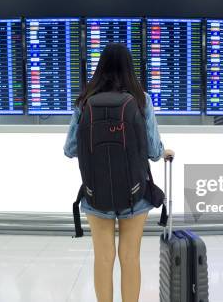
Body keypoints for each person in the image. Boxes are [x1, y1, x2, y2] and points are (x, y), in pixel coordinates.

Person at [64, 43, 164, 302]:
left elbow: (70, 149)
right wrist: (165, 151)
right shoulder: (141, 99)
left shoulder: (85, 100)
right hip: (136, 193)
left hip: (95, 192)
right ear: (130, 67)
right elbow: (153, 151)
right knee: (130, 256)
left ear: (100, 68)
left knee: (103, 256)